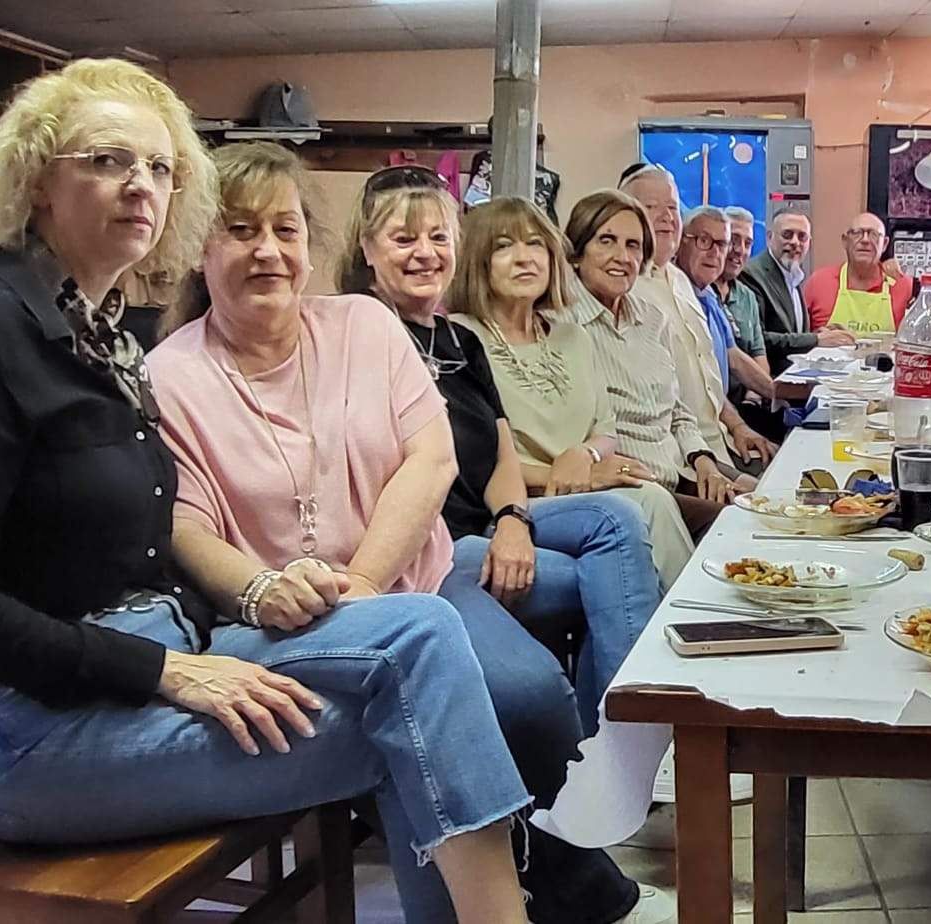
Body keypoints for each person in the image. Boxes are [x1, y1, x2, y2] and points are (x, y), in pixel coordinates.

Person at [0, 59, 531, 924]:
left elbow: (151, 541)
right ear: (34, 181)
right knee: (419, 713)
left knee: (423, 627)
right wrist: (169, 669)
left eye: (158, 167)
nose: (139, 185)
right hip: (15, 730)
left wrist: (251, 599)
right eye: (106, 160)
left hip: (144, 664)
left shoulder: (100, 338)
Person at [149, 142, 670, 924]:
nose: (268, 251)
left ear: (311, 245)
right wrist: (259, 588)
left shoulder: (363, 325)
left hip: (420, 578)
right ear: (197, 246)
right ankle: (541, 897)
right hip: (291, 620)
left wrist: (365, 585)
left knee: (532, 698)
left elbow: (430, 461)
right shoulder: (167, 375)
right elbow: (183, 522)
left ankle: (568, 876)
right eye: (240, 230)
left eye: (285, 230)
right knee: (418, 728)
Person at [339, 173, 668, 732]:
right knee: (624, 585)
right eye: (403, 239)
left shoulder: (457, 340)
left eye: (439, 238)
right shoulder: (358, 329)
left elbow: (501, 453)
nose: (425, 254)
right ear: (367, 250)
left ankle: (619, 739)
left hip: (491, 524)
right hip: (431, 548)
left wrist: (513, 519)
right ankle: (623, 742)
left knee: (620, 520)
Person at [443, 197, 694, 589]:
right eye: (504, 246)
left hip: (588, 492)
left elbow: (605, 427)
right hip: (519, 502)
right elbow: (472, 454)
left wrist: (586, 454)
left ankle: (680, 624)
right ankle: (685, 625)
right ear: (479, 260)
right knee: (648, 502)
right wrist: (580, 477)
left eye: (536, 244)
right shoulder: (459, 337)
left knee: (650, 498)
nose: (525, 258)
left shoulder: (571, 335)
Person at [566, 188, 734, 537]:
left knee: (770, 508)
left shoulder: (652, 320)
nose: (621, 256)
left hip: (679, 472)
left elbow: (678, 410)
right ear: (577, 253)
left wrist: (702, 460)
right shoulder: (562, 327)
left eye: (632, 245)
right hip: (628, 489)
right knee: (735, 528)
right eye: (606, 241)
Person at [619, 167, 772, 478]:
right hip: (681, 459)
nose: (666, 217)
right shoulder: (626, 290)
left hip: (719, 441)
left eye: (673, 207)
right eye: (651, 207)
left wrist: (738, 426)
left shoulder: (683, 283)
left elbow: (708, 381)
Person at [674, 205, 775, 417]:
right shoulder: (673, 295)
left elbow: (735, 358)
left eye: (722, 244)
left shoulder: (708, 296)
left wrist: (780, 396)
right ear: (680, 241)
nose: (715, 253)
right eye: (704, 241)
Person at [743, 210, 851, 374]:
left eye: (802, 237)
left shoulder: (792, 273)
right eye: (787, 235)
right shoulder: (752, 275)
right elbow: (758, 340)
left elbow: (789, 333)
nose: (795, 242)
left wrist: (819, 334)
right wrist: (814, 340)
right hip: (768, 383)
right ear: (769, 237)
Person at [803, 211, 915, 334]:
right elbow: (800, 337)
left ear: (884, 244)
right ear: (845, 241)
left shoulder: (904, 286)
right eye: (857, 233)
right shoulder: (819, 283)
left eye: (873, 234)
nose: (865, 240)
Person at [718, 206, 769, 362]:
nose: (740, 250)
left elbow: (760, 357)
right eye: (733, 240)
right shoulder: (698, 292)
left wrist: (756, 387)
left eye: (747, 244)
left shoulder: (747, 297)